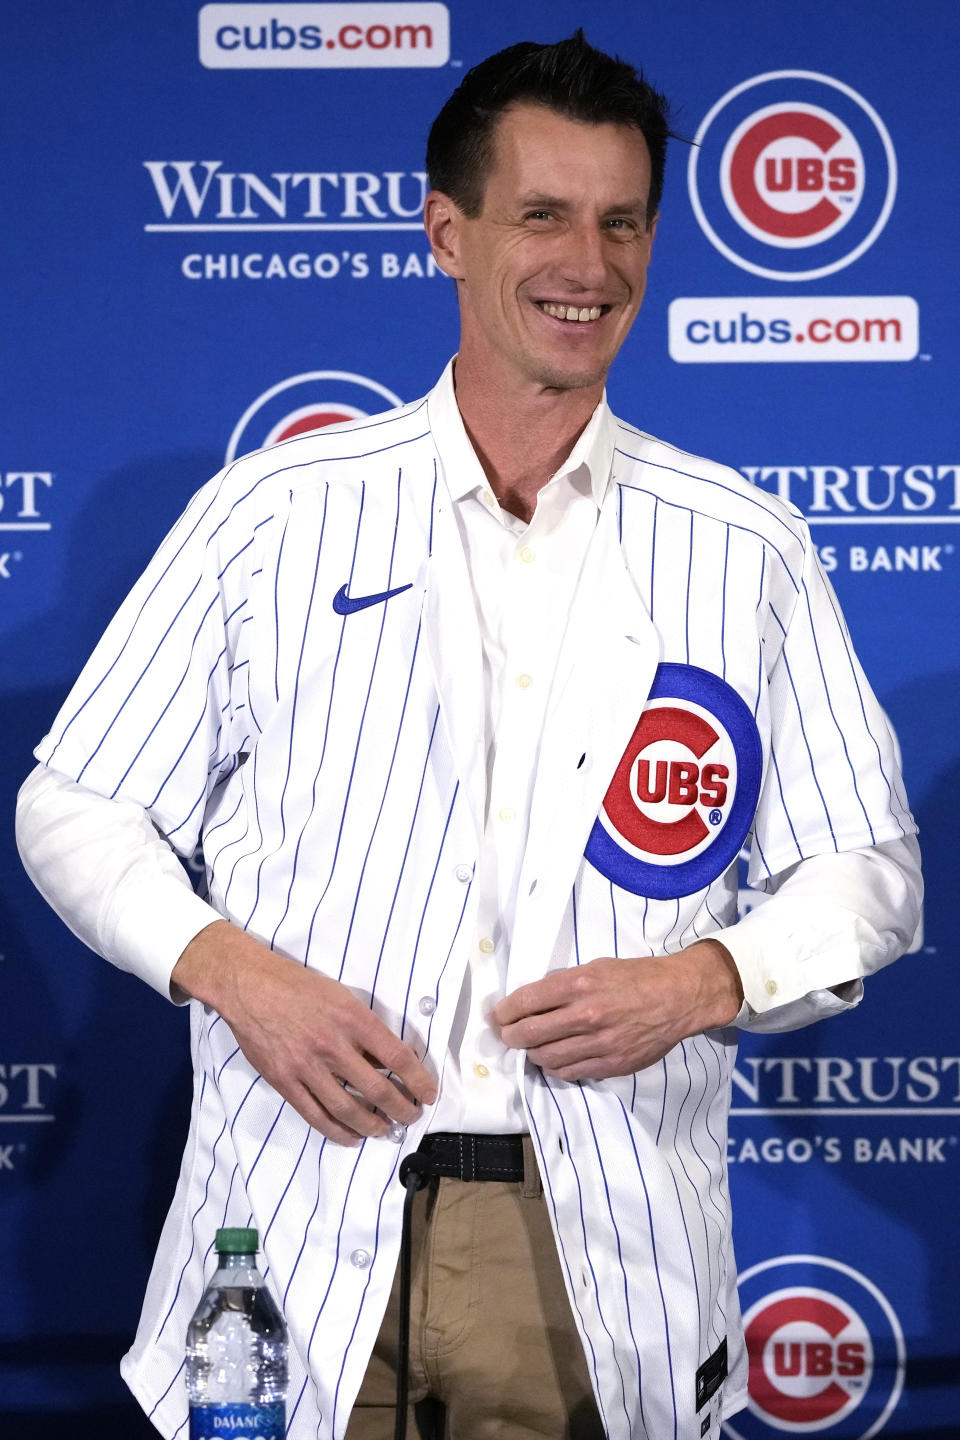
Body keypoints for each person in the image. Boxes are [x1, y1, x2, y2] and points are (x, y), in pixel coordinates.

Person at [16, 31, 920, 1440]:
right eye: (543, 215)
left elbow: (867, 871)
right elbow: (75, 805)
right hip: (290, 1222)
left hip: (593, 1236)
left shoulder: (747, 548)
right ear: (447, 231)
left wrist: (710, 977)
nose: (591, 264)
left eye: (623, 221)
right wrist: (229, 969)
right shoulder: (277, 511)